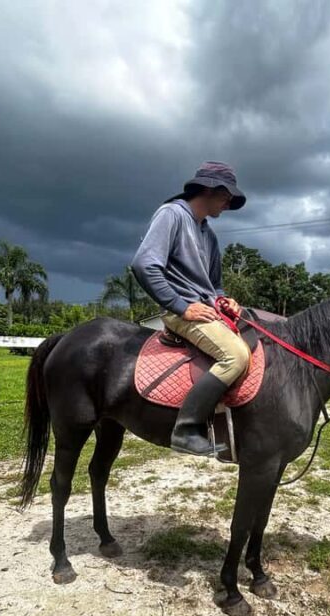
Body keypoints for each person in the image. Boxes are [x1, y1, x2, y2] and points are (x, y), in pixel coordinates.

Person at [131, 161, 249, 456]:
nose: (228, 202)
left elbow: (215, 285)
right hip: (182, 312)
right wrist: (181, 307)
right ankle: (186, 428)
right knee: (235, 356)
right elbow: (144, 264)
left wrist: (224, 300)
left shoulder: (208, 233)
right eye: (226, 196)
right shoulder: (172, 215)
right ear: (209, 189)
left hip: (207, 310)